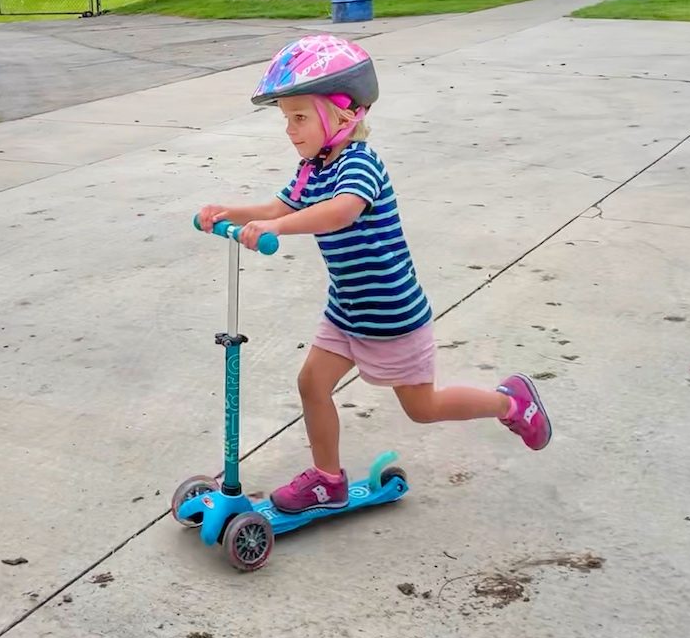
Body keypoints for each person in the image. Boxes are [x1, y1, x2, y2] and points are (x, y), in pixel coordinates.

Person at [196, 34, 552, 514]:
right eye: (286, 119)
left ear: (344, 115)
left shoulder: (360, 164)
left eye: (300, 117)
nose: (290, 130)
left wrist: (277, 228)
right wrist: (228, 213)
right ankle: (327, 480)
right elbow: (279, 207)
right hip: (346, 310)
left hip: (391, 314)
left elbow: (341, 211)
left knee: (422, 408)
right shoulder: (311, 168)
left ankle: (510, 402)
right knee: (312, 384)